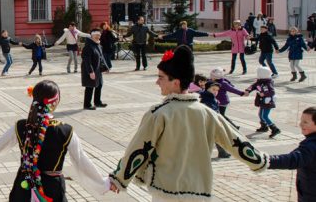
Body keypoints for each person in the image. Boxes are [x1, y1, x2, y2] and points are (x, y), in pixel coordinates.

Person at [108, 45, 269, 199]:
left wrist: (120, 179)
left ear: (176, 82)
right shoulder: (207, 113)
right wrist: (259, 161)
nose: (157, 82)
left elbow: (139, 149)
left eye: (160, 77)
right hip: (199, 192)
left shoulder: (159, 113)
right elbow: (235, 140)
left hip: (166, 192)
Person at [0, 80, 110, 200]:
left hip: (24, 184)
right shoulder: (65, 131)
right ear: (54, 102)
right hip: (51, 188)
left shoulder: (22, 126)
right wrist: (104, 184)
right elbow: (82, 161)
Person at [267, 106, 316, 202]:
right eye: (301, 121)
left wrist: (265, 160)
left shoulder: (311, 145)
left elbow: (293, 159)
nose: (301, 124)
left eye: (305, 122)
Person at [244, 66, 280, 138]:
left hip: (268, 101)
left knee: (265, 116)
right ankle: (264, 127)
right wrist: (248, 90)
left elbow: (272, 91)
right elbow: (253, 86)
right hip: (262, 101)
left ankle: (275, 129)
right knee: (260, 114)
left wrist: (264, 94)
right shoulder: (260, 82)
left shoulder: (268, 82)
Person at [198, 81, 231, 158]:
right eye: (213, 89)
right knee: (210, 138)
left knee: (216, 137)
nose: (216, 92)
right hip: (209, 122)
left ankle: (222, 152)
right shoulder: (206, 98)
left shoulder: (211, 97)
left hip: (212, 121)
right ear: (207, 89)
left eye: (217, 90)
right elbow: (210, 110)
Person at [81, 29, 107, 110]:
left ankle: (97, 102)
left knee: (99, 85)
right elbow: (87, 60)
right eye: (96, 35)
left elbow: (101, 57)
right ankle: (87, 104)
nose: (98, 37)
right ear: (92, 36)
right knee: (90, 86)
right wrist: (91, 72)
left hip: (98, 69)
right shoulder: (88, 46)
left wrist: (106, 67)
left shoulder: (98, 45)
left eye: (99, 35)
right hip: (90, 70)